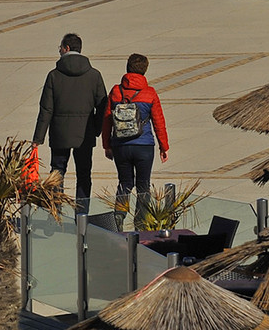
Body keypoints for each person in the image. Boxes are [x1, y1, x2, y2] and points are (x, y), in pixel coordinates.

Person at [31, 33, 107, 211]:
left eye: (60, 47)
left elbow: (46, 109)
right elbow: (103, 106)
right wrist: (96, 128)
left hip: (59, 134)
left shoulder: (54, 76)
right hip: (85, 134)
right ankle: (82, 213)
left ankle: (56, 209)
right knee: (84, 174)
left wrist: (38, 138)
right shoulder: (94, 75)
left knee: (57, 170)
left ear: (66, 48)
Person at [101, 53, 167, 228]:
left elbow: (107, 120)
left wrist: (107, 145)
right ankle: (140, 222)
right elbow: (159, 122)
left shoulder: (116, 91)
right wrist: (163, 147)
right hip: (144, 146)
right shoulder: (149, 93)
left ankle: (119, 217)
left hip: (121, 145)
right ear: (145, 70)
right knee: (143, 185)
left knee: (125, 183)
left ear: (127, 68)